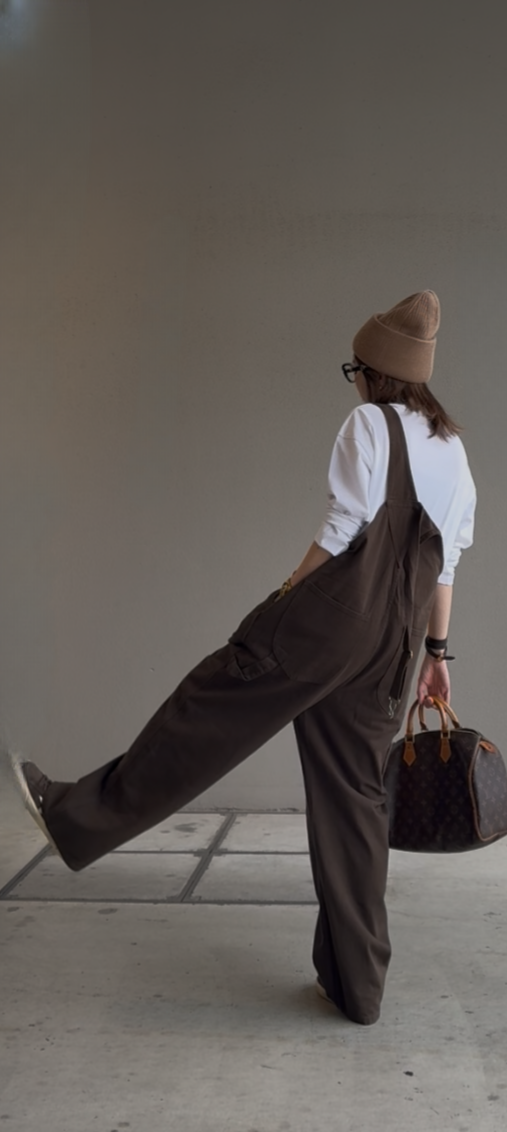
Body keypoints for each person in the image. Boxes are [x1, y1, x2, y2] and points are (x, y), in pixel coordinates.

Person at [10, 290, 476, 1026]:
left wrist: (282, 597)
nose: (354, 382)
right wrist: (436, 654)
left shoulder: (368, 424)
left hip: (329, 623)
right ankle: (357, 986)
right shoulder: (453, 449)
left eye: (355, 369)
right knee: (355, 797)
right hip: (395, 644)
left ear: (374, 371)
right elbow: (445, 567)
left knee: (205, 709)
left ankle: (73, 817)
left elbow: (341, 529)